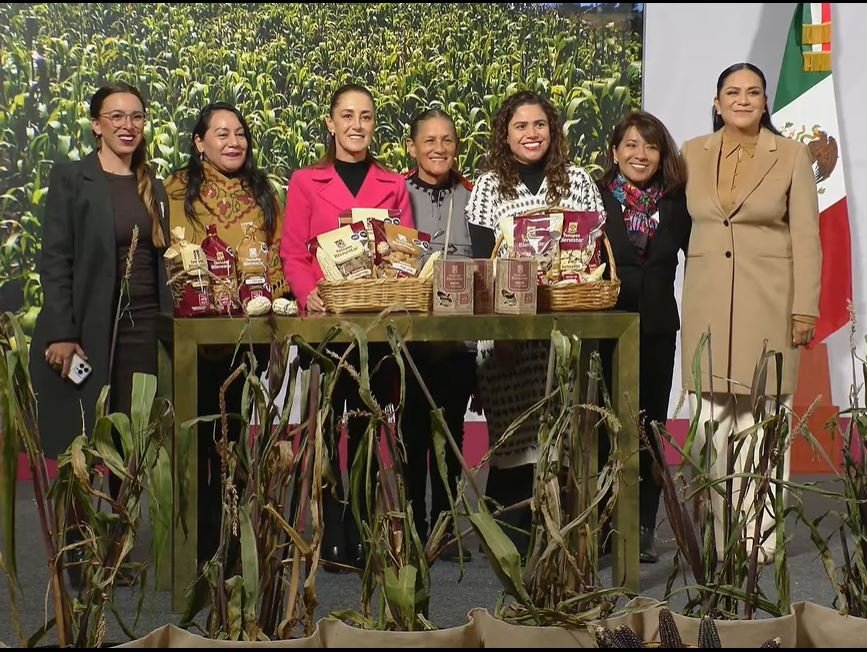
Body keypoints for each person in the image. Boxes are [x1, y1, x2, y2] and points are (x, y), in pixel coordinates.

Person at [29, 82, 171, 586]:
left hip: (142, 329)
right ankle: (77, 554)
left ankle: (118, 551)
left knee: (129, 444)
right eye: (116, 116)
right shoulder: (72, 179)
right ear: (96, 124)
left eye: (136, 116)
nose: (128, 125)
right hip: (87, 331)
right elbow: (56, 261)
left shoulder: (151, 186)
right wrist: (64, 333)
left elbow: (159, 262)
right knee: (83, 439)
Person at [680, 62, 821, 560]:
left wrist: (805, 309)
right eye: (732, 92)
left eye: (753, 92)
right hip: (708, 306)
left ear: (765, 103)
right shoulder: (692, 154)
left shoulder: (791, 155)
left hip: (770, 305)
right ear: (717, 102)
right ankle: (717, 537)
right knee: (713, 425)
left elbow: (807, 237)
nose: (743, 99)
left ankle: (758, 541)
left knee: (764, 422)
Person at [280, 83, 413, 570]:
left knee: (364, 425)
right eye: (348, 116)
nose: (357, 125)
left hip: (374, 323)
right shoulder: (304, 181)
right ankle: (329, 524)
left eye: (366, 117)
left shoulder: (393, 183)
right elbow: (293, 253)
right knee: (322, 426)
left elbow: (403, 253)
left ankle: (358, 525)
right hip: (325, 324)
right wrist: (308, 291)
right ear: (331, 123)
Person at [466, 90, 605, 555]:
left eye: (540, 125)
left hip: (565, 329)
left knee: (563, 433)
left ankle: (562, 536)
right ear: (505, 135)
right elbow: (486, 265)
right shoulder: (488, 187)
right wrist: (503, 329)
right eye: (521, 126)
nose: (531, 134)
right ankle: (508, 536)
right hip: (511, 330)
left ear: (554, 130)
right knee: (514, 434)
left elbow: (594, 253)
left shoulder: (579, 182)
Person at [164, 101, 285, 565]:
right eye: (221, 134)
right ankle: (194, 538)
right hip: (192, 335)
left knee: (234, 440)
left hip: (245, 334)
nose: (234, 142)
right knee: (193, 442)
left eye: (240, 133)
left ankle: (233, 543)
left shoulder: (262, 192)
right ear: (199, 143)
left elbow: (276, 254)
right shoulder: (174, 191)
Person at [596, 110, 691, 563]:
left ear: (661, 154)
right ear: (615, 152)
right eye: (631, 145)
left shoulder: (676, 201)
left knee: (649, 425)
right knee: (602, 424)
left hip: (657, 327)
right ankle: (599, 524)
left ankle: (642, 527)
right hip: (606, 325)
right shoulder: (596, 198)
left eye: (650, 146)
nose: (640, 154)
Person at [401, 109, 476, 560]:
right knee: (412, 433)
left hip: (461, 338)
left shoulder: (472, 196)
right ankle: (414, 526)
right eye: (429, 140)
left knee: (451, 434)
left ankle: (446, 529)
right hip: (412, 339)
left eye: (447, 140)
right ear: (413, 147)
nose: (439, 148)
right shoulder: (397, 195)